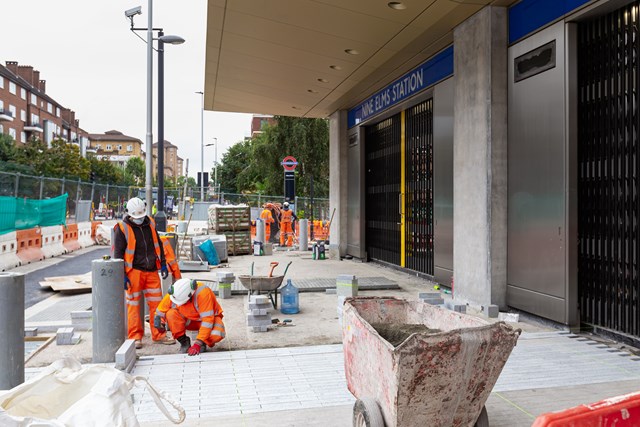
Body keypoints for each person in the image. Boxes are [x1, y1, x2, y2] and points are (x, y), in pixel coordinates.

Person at [113, 197, 177, 349]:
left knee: (157, 304)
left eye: (141, 217)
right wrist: (122, 275)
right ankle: (135, 337)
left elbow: (158, 245)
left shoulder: (151, 223)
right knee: (133, 306)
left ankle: (159, 334)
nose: (139, 220)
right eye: (137, 217)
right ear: (128, 214)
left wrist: (162, 264)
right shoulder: (122, 229)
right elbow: (118, 253)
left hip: (151, 271)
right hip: (133, 271)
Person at [154, 278, 226, 355]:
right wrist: (160, 324)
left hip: (209, 321)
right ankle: (184, 342)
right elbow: (160, 312)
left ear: (190, 295)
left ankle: (203, 342)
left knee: (217, 333)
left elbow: (207, 320)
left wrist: (198, 343)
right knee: (171, 314)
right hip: (189, 321)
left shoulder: (203, 293)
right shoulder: (175, 292)